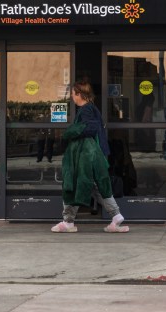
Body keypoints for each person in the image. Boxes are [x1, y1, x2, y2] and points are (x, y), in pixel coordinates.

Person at [51, 80, 129, 233]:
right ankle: (116, 216)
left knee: (74, 183)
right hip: (96, 155)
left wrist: (70, 132)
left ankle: (68, 222)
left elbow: (90, 128)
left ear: (79, 94)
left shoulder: (86, 109)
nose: (72, 97)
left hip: (88, 156)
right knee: (97, 186)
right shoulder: (92, 108)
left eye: (73, 94)